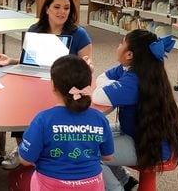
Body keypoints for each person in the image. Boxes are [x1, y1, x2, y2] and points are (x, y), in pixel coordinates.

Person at [0, 0, 93, 169]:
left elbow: (84, 69)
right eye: (57, 7)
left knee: (54, 115)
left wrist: (87, 67)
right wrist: (13, 61)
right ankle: (24, 149)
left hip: (65, 85)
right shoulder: (35, 30)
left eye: (66, 8)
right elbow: (31, 60)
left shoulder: (79, 34)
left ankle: (48, 154)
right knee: (21, 105)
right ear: (47, 9)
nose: (62, 12)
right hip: (34, 79)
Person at [91, 29, 178, 191]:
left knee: (89, 152)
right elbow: (101, 78)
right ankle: (126, 182)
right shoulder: (133, 69)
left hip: (149, 145)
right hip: (139, 132)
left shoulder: (133, 81)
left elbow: (98, 96)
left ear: (129, 55)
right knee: (94, 132)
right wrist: (112, 87)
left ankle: (116, 188)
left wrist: (112, 87)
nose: (118, 46)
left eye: (121, 43)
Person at [19, 55, 114, 190]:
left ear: (53, 85)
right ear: (88, 84)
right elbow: (108, 156)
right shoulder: (99, 118)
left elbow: (26, 160)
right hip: (91, 185)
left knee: (24, 178)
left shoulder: (42, 119)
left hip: (52, 184)